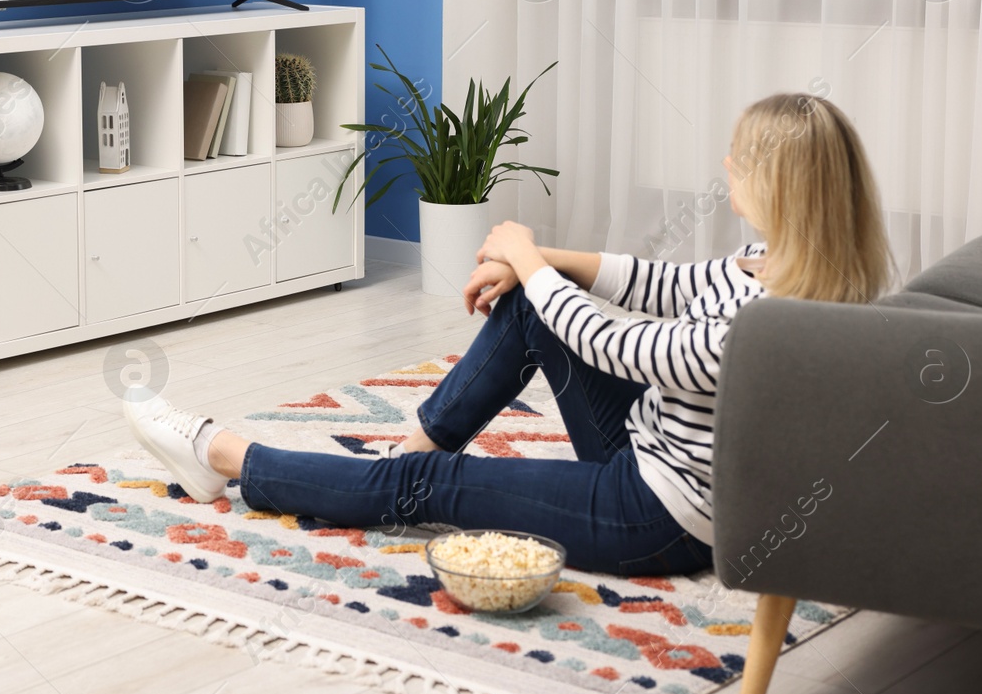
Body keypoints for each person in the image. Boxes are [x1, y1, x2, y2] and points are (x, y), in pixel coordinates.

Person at [121, 93, 894, 574]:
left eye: (742, 158)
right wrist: (537, 260)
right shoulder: (787, 267)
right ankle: (410, 452)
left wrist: (526, 256)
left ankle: (220, 453)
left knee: (433, 491)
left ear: (783, 189)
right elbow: (662, 284)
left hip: (656, 518)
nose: (726, 163)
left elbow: (617, 346)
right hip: (660, 455)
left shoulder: (761, 327)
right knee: (529, 306)